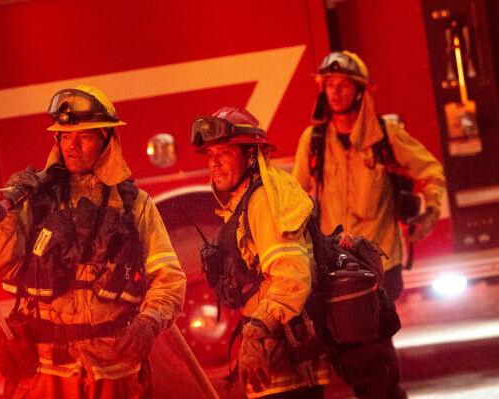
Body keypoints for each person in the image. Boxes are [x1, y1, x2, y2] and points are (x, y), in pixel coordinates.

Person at [0, 84, 186, 399]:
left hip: (112, 368)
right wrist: (6, 217)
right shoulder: (33, 201)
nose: (72, 146)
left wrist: (148, 322)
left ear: (107, 142)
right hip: (47, 370)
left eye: (85, 136)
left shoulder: (135, 205)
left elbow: (169, 279)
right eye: (65, 136)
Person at [292, 51, 446, 399]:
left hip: (380, 265)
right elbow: (296, 197)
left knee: (371, 350)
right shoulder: (313, 141)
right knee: (350, 352)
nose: (334, 92)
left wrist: (429, 212)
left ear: (360, 91)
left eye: (342, 85)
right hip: (337, 269)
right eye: (329, 85)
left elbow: (432, 172)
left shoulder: (387, 137)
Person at [191, 107, 330, 399]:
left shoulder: (263, 201)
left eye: (225, 154)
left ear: (251, 155)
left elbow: (291, 276)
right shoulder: (247, 199)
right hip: (275, 349)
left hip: (284, 353)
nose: (214, 164)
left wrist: (255, 331)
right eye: (210, 155)